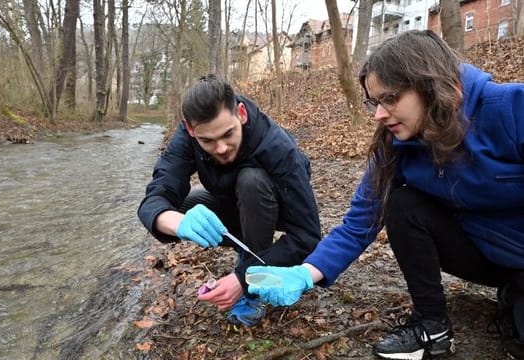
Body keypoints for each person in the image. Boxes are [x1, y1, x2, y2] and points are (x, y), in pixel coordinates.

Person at [246, 29, 524, 359]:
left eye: (390, 99)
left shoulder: (509, 109)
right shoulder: (397, 146)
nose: (379, 113)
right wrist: (305, 273)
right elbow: (358, 224)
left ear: (430, 85)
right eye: (375, 102)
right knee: (403, 203)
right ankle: (432, 327)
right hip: (481, 254)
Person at [137, 74, 321, 329]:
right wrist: (177, 223)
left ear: (241, 114)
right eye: (207, 141)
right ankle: (247, 248)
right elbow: (155, 197)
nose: (221, 148)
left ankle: (254, 285)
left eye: (228, 134)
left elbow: (307, 234)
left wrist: (244, 278)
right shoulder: (187, 136)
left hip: (274, 206)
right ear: (191, 130)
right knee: (177, 209)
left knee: (251, 181)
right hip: (229, 203)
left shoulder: (277, 147)